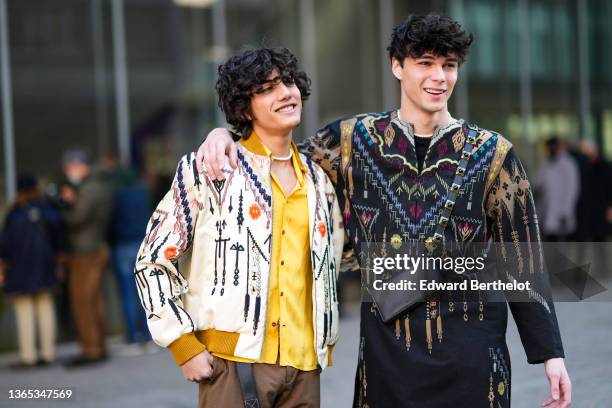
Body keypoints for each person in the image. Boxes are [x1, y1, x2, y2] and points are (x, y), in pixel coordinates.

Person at [196, 14, 572, 408]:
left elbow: (522, 258)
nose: (439, 77)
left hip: (473, 356)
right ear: (398, 66)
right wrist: (225, 134)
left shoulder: (493, 154)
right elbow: (278, 154)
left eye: (449, 65)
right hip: (388, 358)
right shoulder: (351, 141)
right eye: (425, 63)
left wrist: (551, 354)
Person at [135, 47, 343, 408]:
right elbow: (152, 261)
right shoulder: (210, 171)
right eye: (267, 88)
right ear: (244, 108)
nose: (285, 93)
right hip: (233, 365)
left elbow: (334, 261)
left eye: (288, 82)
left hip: (305, 367)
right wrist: (183, 346)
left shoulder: (317, 180)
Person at [0, 174, 64, 368]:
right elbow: (59, 235)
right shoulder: (48, 209)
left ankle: (28, 356)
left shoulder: (14, 214)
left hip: (20, 269)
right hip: (45, 266)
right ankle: (48, 354)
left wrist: (4, 266)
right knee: (45, 308)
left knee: (24, 312)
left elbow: (5, 245)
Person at [61, 149, 114, 366]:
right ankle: (98, 346)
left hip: (85, 251)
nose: (68, 172)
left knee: (83, 302)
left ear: (79, 165)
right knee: (95, 301)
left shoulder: (89, 187)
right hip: (96, 246)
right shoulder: (100, 184)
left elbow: (76, 218)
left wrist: (65, 203)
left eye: (69, 167)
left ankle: (90, 350)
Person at [102, 152, 152, 344]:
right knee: (144, 291)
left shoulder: (115, 195)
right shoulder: (142, 192)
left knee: (127, 292)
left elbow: (111, 222)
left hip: (122, 245)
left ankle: (133, 334)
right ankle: (147, 332)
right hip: (142, 243)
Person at [534, 137, 580, 242]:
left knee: (562, 248)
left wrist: (565, 211)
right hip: (547, 213)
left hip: (562, 215)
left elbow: (572, 190)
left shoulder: (568, 164)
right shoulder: (546, 164)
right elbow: (539, 183)